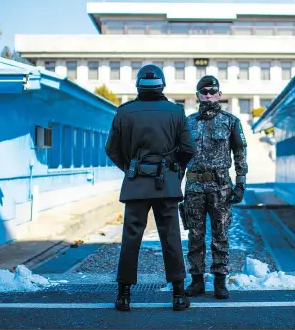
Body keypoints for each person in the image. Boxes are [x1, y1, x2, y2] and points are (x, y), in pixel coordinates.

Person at [105, 64, 196, 312]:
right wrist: (175, 171)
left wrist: (130, 168)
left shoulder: (124, 112)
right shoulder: (176, 112)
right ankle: (178, 293)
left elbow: (111, 149)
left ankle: (123, 295)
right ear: (162, 86)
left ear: (138, 86)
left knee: (131, 238)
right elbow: (188, 149)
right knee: (171, 237)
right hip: (166, 183)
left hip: (136, 183)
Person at [183, 75, 248, 300]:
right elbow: (179, 157)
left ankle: (220, 281)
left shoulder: (231, 121)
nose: (208, 96)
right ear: (197, 96)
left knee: (220, 235)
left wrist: (241, 184)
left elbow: (240, 154)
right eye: (204, 92)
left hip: (220, 188)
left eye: (213, 92)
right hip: (193, 187)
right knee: (195, 236)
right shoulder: (187, 123)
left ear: (219, 95)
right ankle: (197, 281)